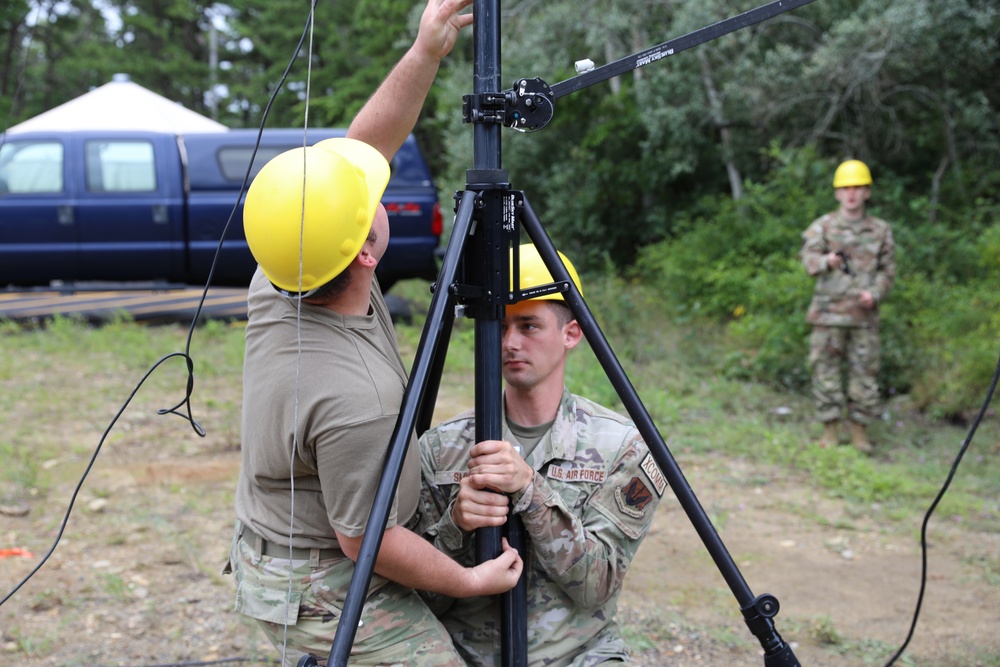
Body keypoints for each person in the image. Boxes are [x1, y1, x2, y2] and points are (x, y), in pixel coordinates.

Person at [224, 2, 523, 666]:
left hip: (284, 534)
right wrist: (470, 580)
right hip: (313, 579)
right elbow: (366, 540)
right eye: (373, 204)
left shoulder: (280, 274)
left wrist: (427, 51)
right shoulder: (359, 398)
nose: (378, 192)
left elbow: (362, 149)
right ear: (365, 253)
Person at [414, 244, 666, 666]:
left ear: (571, 334)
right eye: (500, 326)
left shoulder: (622, 446)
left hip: (578, 656)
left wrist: (530, 490)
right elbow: (422, 599)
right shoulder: (442, 448)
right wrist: (457, 524)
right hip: (464, 657)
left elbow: (596, 586)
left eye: (529, 325)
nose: (510, 342)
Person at [800, 159, 896, 452]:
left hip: (863, 317)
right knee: (824, 372)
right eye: (846, 188)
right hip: (828, 316)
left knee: (865, 375)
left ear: (867, 192)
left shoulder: (880, 230)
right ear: (837, 193)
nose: (851, 193)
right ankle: (830, 430)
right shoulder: (823, 226)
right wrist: (827, 261)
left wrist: (876, 293)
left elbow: (888, 271)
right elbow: (808, 261)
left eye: (858, 187)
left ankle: (859, 433)